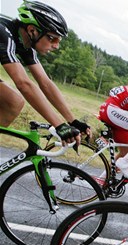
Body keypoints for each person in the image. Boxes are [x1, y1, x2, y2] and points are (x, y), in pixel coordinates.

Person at [0, 1, 90, 143]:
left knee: (13, 102)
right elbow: (23, 84)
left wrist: (72, 121)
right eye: (52, 38)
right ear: (32, 30)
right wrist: (60, 126)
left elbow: (45, 83)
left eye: (58, 40)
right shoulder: (3, 33)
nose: (56, 46)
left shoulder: (25, 44)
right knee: (13, 100)